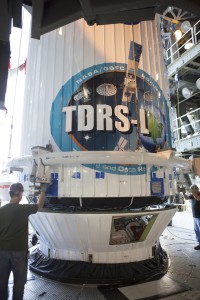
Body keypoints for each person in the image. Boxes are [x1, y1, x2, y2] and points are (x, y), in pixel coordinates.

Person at [0, 182, 49, 300]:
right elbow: (40, 205)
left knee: (1, 283)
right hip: (19, 253)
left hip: (2, 252)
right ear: (20, 194)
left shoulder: (1, 210)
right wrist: (43, 190)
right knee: (19, 284)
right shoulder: (23, 209)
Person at [184, 184, 200, 250]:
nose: (192, 191)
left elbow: (198, 198)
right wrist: (183, 192)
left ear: (197, 189)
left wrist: (193, 191)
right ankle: (199, 243)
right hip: (195, 216)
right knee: (197, 230)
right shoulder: (193, 195)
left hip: (199, 216)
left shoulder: (198, 194)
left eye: (193, 189)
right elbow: (187, 198)